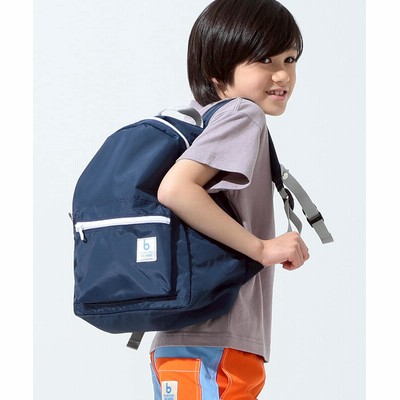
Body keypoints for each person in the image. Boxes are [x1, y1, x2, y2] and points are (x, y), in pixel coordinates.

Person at [149, 0, 310, 398]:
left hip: (200, 341)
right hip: (212, 344)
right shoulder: (242, 114)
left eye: (290, 59)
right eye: (264, 59)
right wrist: (262, 248)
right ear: (218, 69)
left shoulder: (204, 117)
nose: (282, 74)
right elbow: (175, 189)